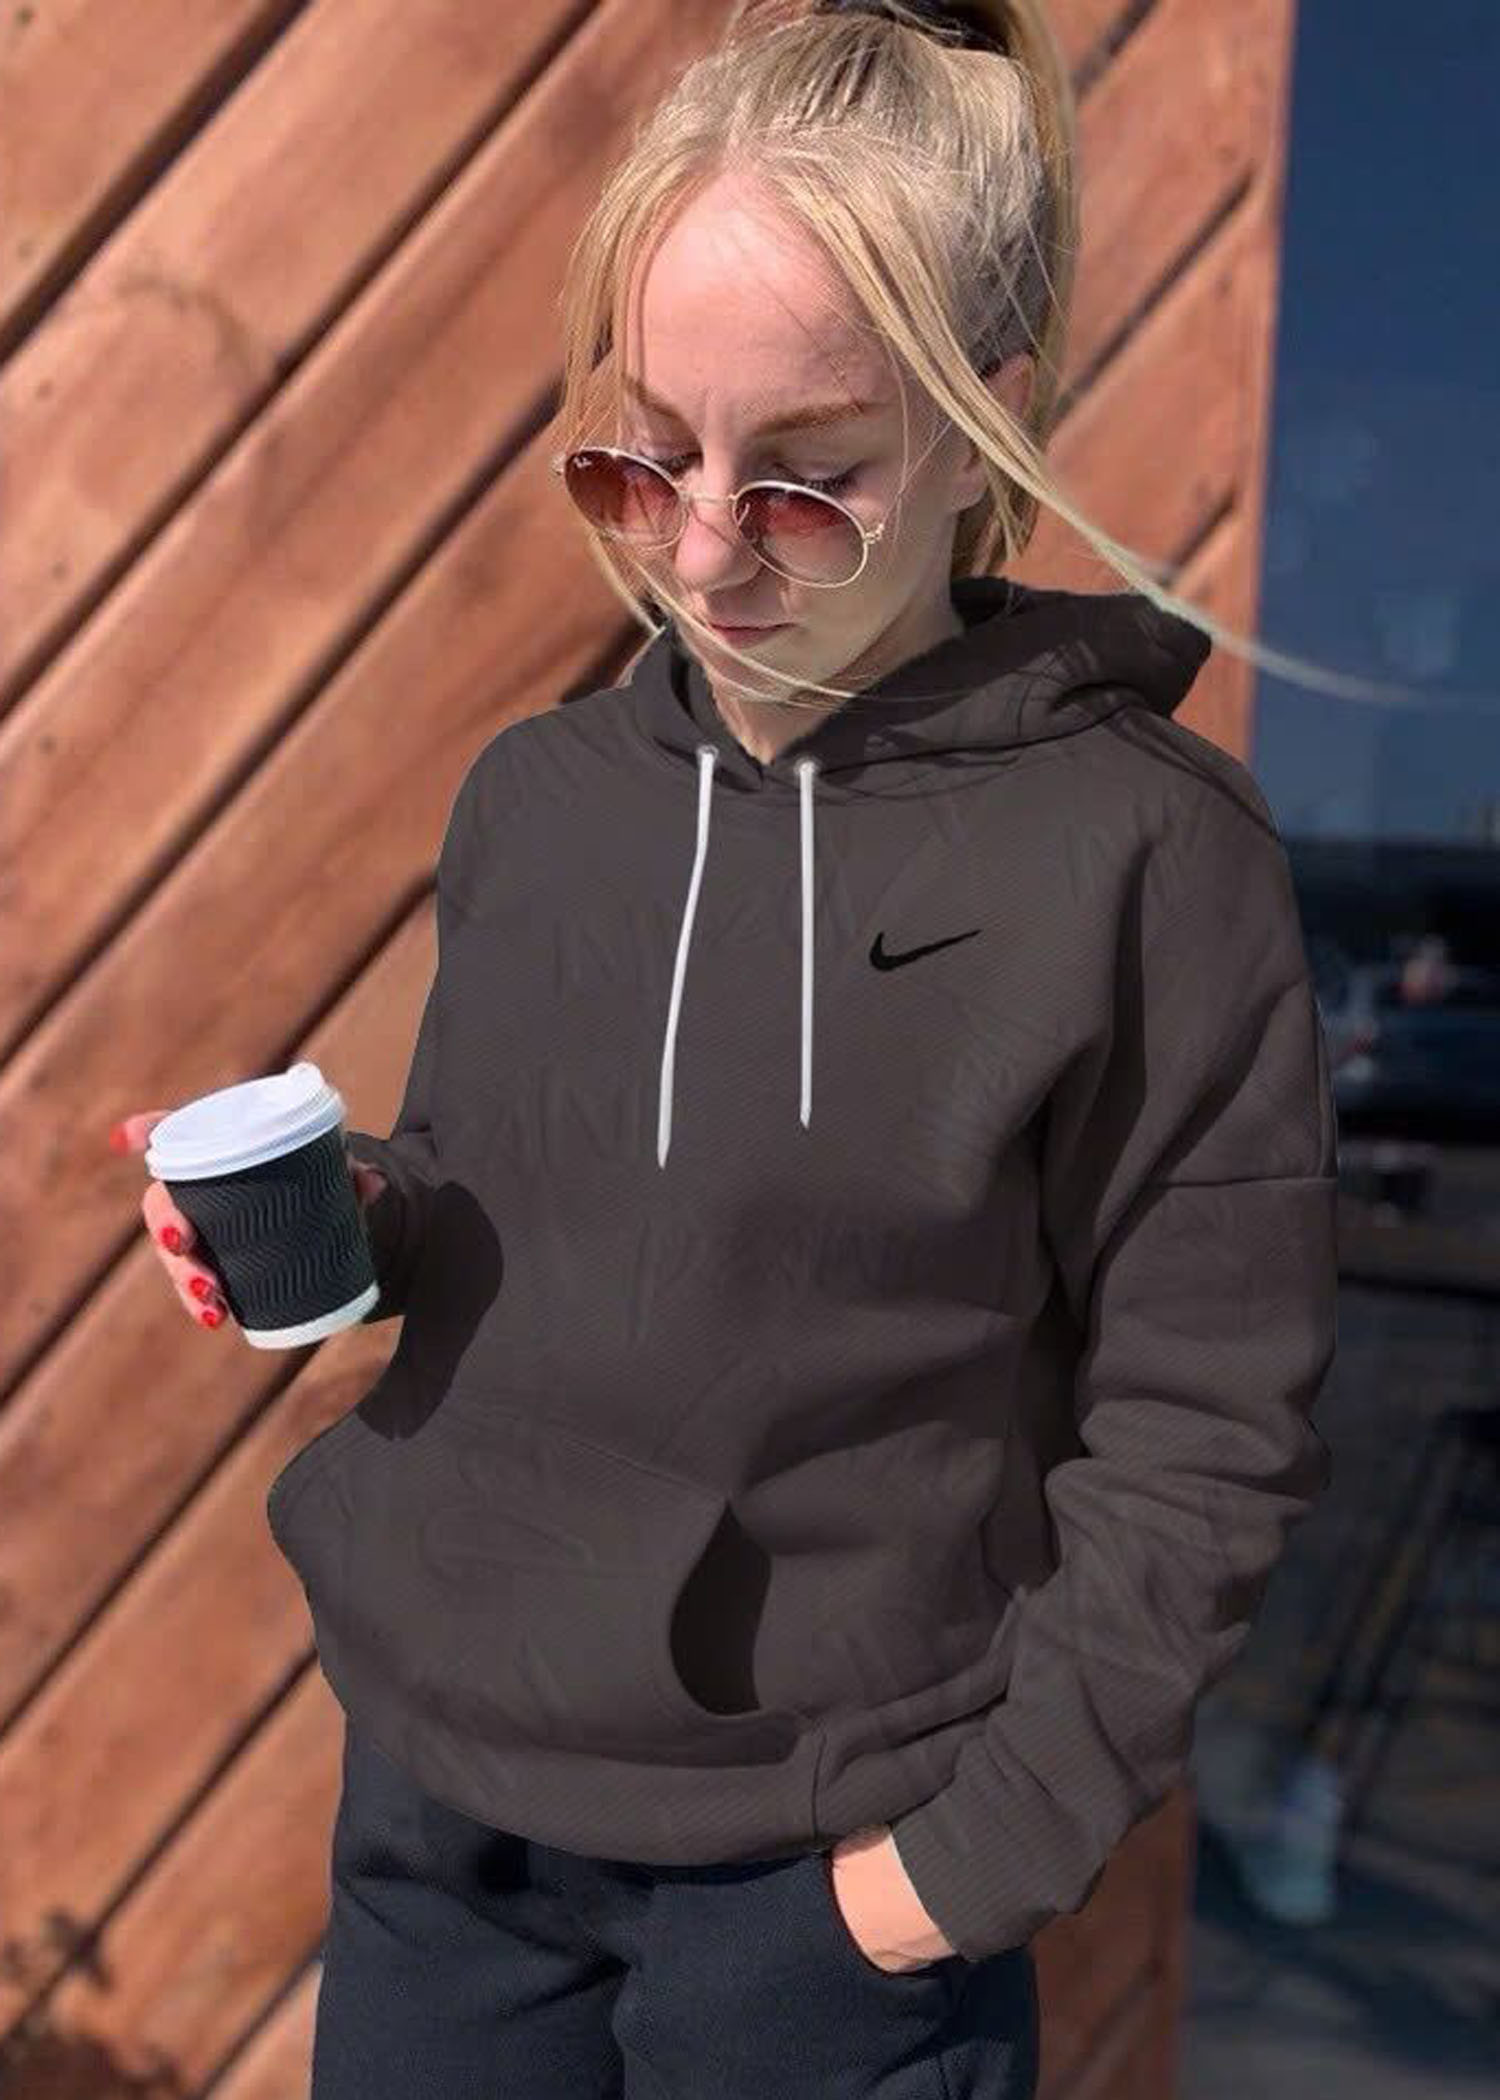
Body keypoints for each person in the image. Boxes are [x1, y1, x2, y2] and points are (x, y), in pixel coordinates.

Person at [122, 2, 1341, 2093]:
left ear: (983, 424)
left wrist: (941, 1884)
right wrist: (354, 1222)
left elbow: (1206, 1439)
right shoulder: (538, 801)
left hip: (824, 1902)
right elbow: (507, 1199)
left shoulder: (1148, 855)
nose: (698, 549)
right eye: (644, 454)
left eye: (807, 479)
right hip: (441, 1849)